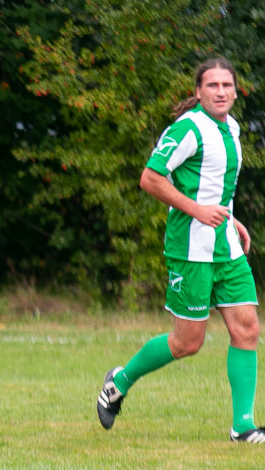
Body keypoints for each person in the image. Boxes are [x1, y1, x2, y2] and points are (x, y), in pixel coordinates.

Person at [97, 57, 264, 443]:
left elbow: (214, 188)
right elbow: (150, 178)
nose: (220, 91)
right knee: (188, 342)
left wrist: (231, 219)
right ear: (198, 92)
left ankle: (242, 427)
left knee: (247, 329)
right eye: (212, 85)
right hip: (189, 249)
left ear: (236, 91)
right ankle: (118, 382)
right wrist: (197, 211)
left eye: (226, 85)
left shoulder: (233, 128)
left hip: (225, 247)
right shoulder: (188, 128)